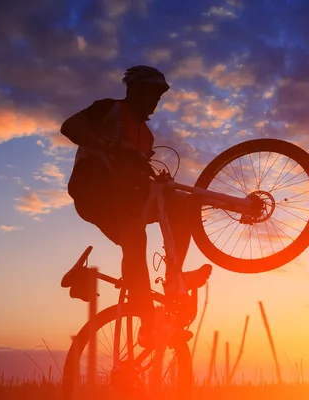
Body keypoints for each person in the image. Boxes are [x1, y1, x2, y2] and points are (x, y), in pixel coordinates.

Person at [60, 65, 211, 346]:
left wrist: (154, 176)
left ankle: (173, 279)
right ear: (135, 90)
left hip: (125, 195)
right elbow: (70, 127)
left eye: (159, 96)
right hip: (93, 189)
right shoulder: (109, 108)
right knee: (134, 237)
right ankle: (147, 321)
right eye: (152, 94)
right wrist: (106, 143)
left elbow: (137, 171)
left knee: (181, 205)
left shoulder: (147, 136)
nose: (156, 101)